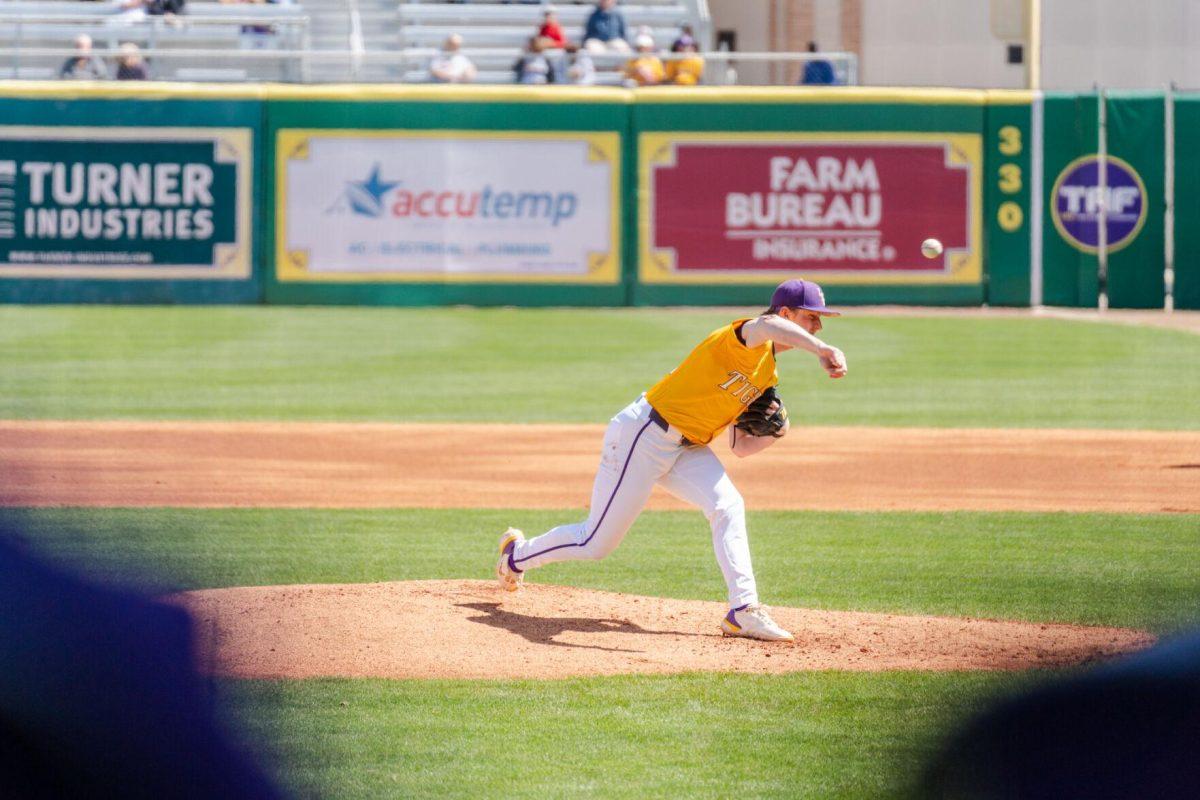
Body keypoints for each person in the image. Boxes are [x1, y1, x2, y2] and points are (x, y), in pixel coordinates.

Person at [497, 279, 849, 642]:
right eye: (812, 318)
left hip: (687, 448)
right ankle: (515, 555)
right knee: (596, 543)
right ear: (787, 314)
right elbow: (767, 325)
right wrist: (820, 349)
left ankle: (743, 610)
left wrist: (777, 433)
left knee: (728, 505)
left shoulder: (766, 375)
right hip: (644, 434)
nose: (818, 326)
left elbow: (740, 446)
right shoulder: (744, 337)